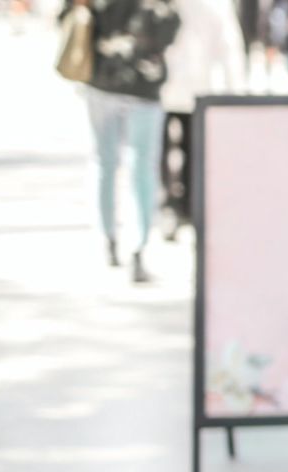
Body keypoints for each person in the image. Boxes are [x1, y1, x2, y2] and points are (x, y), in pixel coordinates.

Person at [62, 0, 180, 283]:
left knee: (108, 161)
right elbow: (172, 25)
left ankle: (112, 239)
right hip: (140, 81)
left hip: (105, 79)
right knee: (140, 166)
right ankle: (136, 245)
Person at [159, 0, 246, 239]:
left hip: (180, 86)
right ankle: (177, 205)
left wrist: (233, 88)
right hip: (177, 85)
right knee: (180, 148)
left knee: (181, 148)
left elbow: (229, 44)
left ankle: (177, 205)